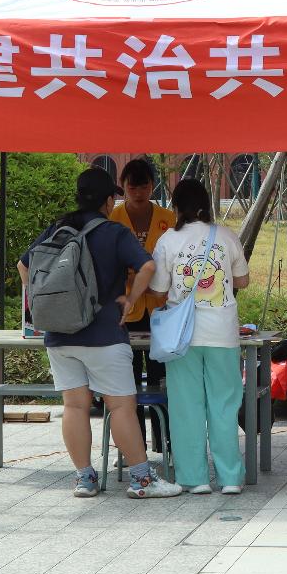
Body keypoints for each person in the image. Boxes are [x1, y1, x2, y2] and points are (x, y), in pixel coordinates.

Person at [18, 167, 180, 499]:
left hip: (60, 336)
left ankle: (85, 479)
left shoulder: (57, 228)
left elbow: (24, 265)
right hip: (104, 335)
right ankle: (141, 481)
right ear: (108, 200)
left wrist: (42, 302)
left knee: (74, 406)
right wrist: (131, 300)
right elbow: (148, 266)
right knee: (121, 406)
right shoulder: (113, 232)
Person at [146, 178, 250, 495]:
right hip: (222, 333)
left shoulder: (168, 240)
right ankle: (230, 478)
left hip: (182, 336)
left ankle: (194, 478)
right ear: (206, 204)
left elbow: (159, 290)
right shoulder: (226, 236)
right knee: (224, 404)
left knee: (186, 405)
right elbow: (242, 281)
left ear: (176, 207)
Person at [111, 158, 178, 442]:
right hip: (125, 306)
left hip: (160, 307)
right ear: (123, 187)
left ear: (153, 186)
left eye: (144, 186)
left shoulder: (168, 218)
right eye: (132, 187)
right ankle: (133, 443)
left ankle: (165, 441)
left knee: (160, 375)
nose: (138, 193)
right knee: (127, 377)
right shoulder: (113, 218)